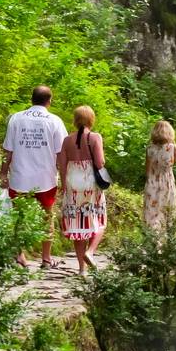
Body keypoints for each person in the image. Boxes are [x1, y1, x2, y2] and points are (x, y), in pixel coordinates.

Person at [0, 85, 67, 268]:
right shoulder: (54, 121)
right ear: (49, 101)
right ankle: (46, 258)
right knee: (47, 216)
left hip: (19, 177)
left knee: (18, 216)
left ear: (31, 99)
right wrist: (64, 177)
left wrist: (3, 173)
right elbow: (61, 153)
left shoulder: (16, 119)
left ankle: (19, 254)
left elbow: (8, 150)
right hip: (45, 178)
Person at [58, 105, 107, 272]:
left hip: (73, 183)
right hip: (90, 184)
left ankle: (81, 269)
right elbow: (100, 163)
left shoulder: (67, 140)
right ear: (91, 119)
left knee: (77, 224)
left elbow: (62, 165)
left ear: (76, 120)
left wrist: (64, 186)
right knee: (98, 220)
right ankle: (91, 252)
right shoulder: (95, 137)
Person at [142, 119, 176, 233]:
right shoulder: (171, 146)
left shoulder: (150, 148)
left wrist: (148, 180)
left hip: (152, 182)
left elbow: (147, 169)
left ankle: (152, 237)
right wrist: (174, 143)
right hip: (167, 181)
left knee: (152, 211)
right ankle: (167, 237)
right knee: (168, 209)